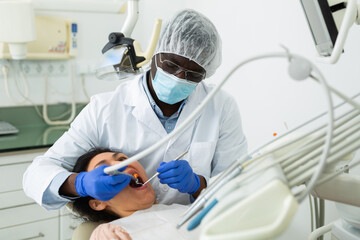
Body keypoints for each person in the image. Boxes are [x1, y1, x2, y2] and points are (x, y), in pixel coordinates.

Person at [23, 9, 247, 210]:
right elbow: (35, 174)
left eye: (193, 74)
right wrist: (80, 184)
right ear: (156, 54)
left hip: (193, 224)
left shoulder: (221, 107)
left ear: (206, 73)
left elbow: (240, 182)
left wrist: (199, 184)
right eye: (170, 65)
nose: (179, 78)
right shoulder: (104, 109)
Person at [70, 148, 199, 240]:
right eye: (105, 170)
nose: (120, 164)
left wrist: (197, 185)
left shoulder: (187, 208)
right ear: (98, 203)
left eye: (122, 159)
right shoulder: (112, 235)